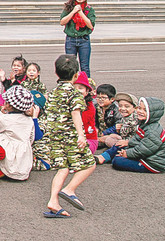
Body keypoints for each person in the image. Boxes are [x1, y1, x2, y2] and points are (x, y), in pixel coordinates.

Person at [42, 54, 96, 219]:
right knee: (89, 164)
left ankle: (54, 202)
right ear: (75, 75)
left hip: (54, 136)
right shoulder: (74, 94)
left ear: (56, 73)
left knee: (62, 168)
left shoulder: (52, 92)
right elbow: (76, 113)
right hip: (69, 135)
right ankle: (69, 189)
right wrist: (81, 135)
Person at [98, 97, 165, 173]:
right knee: (121, 144)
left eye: (145, 110)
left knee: (117, 161)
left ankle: (112, 157)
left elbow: (144, 150)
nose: (140, 111)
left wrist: (127, 154)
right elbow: (137, 140)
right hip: (144, 155)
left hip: (152, 163)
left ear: (154, 114)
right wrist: (128, 142)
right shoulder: (144, 124)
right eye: (139, 108)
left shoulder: (153, 131)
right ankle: (103, 157)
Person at [0, 85, 36, 181]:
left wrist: (1, 114)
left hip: (9, 152)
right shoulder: (29, 120)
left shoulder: (6, 119)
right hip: (24, 154)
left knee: (1, 137)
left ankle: (1, 169)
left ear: (8, 105)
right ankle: (18, 170)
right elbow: (31, 137)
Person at [60, 0, 96, 77]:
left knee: (84, 67)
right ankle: (70, 86)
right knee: (70, 66)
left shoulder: (89, 9)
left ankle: (86, 87)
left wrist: (80, 12)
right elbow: (62, 22)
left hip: (84, 40)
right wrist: (73, 11)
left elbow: (90, 25)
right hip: (71, 40)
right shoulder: (69, 7)